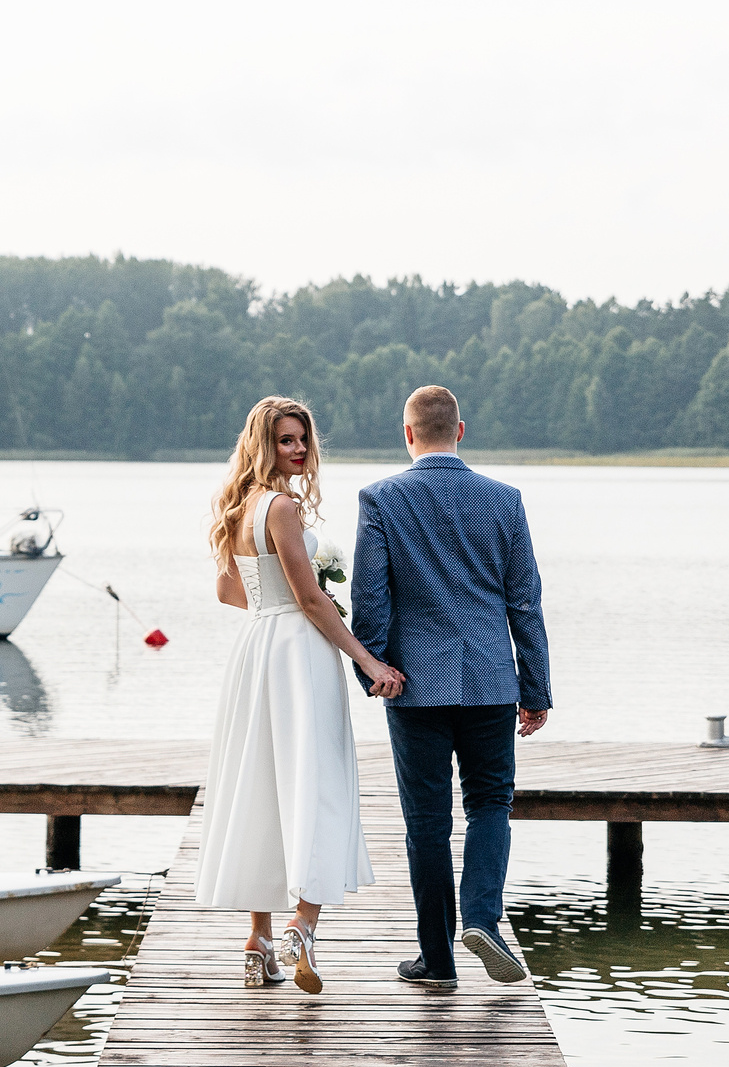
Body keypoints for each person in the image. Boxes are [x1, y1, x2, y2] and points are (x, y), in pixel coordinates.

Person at [350, 385, 552, 992]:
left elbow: (370, 597)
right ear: (460, 430)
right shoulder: (504, 499)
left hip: (414, 685)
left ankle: (437, 962)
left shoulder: (382, 498)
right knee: (490, 804)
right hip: (491, 680)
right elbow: (525, 601)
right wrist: (536, 688)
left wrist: (374, 671)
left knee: (427, 823)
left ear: (408, 433)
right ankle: (483, 917)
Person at [197, 395, 401, 994]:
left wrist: (276, 606)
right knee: (316, 780)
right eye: (286, 440)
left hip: (256, 649)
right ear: (264, 444)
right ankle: (301, 926)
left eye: (303, 439)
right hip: (298, 653)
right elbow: (310, 600)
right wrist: (367, 658)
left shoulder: (236, 507)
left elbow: (228, 592)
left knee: (261, 784)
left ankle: (257, 942)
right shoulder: (282, 507)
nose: (299, 449)